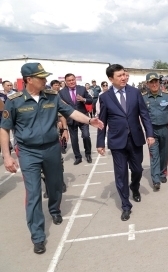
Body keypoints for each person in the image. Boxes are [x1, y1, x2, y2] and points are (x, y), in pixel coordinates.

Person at [0, 62, 103, 254]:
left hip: (51, 149)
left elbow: (71, 112)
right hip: (28, 152)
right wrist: (7, 156)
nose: (46, 80)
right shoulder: (14, 101)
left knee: (55, 185)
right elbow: (4, 129)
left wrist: (90, 120)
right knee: (33, 193)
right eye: (41, 77)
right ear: (29, 80)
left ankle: (54, 210)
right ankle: (37, 235)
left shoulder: (52, 97)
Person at [97, 64, 154, 222]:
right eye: (119, 76)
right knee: (121, 175)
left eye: (125, 74)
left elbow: (144, 114)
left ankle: (134, 187)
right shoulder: (105, 97)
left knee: (137, 169)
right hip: (117, 141)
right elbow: (102, 121)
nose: (124, 78)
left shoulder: (135, 92)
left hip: (135, 139)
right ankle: (125, 205)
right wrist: (100, 142)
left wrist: (150, 134)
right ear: (110, 79)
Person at [142, 72, 168, 191]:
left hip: (164, 128)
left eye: (156, 81)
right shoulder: (143, 98)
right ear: (147, 84)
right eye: (151, 82)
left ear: (159, 82)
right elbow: (140, 114)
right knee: (154, 155)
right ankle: (156, 179)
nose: (154, 84)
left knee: (164, 153)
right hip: (151, 130)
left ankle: (163, 173)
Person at [58, 73, 94, 164]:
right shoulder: (62, 93)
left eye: (73, 80)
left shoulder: (82, 89)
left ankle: (88, 154)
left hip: (83, 117)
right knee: (74, 140)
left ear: (75, 80)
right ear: (65, 82)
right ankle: (78, 157)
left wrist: (84, 99)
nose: (71, 82)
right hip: (70, 119)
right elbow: (60, 108)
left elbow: (90, 100)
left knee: (86, 136)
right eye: (69, 81)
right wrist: (60, 120)